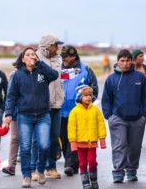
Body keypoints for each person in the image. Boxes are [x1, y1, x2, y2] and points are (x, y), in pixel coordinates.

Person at [4, 47, 59, 188]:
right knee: (26, 147)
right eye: (27, 55)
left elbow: (54, 75)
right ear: (22, 59)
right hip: (25, 116)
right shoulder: (17, 75)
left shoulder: (42, 71)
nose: (30, 56)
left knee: (44, 145)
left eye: (33, 54)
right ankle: (27, 175)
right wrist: (9, 114)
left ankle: (40, 170)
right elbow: (11, 96)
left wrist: (40, 63)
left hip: (43, 115)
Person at [101, 49, 146, 183]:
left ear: (131, 61)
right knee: (119, 146)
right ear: (117, 61)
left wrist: (144, 115)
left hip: (137, 119)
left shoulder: (140, 78)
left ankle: (131, 170)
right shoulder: (111, 79)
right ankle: (118, 172)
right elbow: (106, 99)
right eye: (122, 61)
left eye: (128, 60)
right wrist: (109, 115)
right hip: (118, 118)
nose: (125, 63)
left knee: (134, 147)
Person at [60, 45, 99, 177]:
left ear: (73, 56)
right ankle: (71, 163)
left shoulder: (86, 70)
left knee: (73, 138)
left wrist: (86, 105)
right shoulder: (58, 70)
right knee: (64, 139)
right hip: (60, 112)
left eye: (66, 57)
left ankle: (70, 165)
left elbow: (94, 90)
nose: (63, 59)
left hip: (78, 112)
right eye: (62, 57)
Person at [30, 33, 65, 180]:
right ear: (48, 45)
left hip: (56, 105)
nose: (58, 47)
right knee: (37, 140)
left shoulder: (58, 59)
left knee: (53, 138)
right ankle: (34, 169)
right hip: (41, 106)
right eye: (55, 44)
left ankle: (51, 167)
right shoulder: (35, 58)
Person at [68, 84, 106, 189]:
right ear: (79, 97)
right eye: (85, 95)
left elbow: (101, 124)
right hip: (80, 143)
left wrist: (102, 139)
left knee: (92, 161)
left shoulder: (96, 110)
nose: (88, 97)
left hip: (92, 142)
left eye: (90, 95)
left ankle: (94, 180)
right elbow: (71, 128)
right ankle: (85, 183)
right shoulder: (74, 112)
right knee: (83, 163)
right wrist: (73, 142)